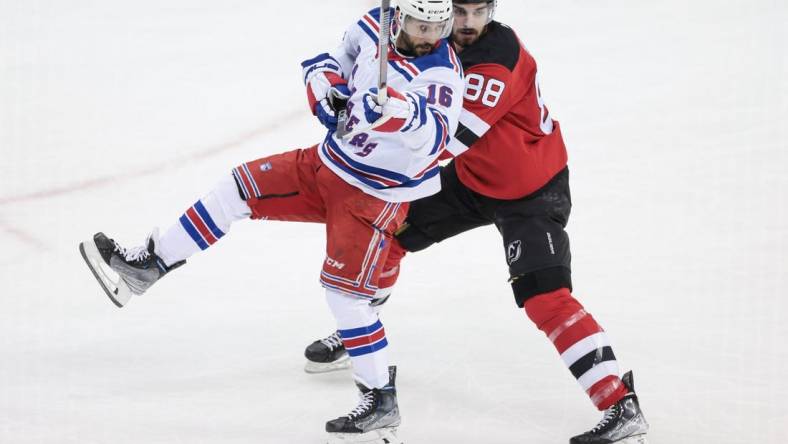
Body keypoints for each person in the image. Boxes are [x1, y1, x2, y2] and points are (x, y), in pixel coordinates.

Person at [78, 1, 464, 442]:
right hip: (326, 166)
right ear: (398, 17)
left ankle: (380, 399)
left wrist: (402, 113)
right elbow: (331, 62)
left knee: (345, 296)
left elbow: (434, 138)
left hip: (374, 197)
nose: (428, 35)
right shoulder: (374, 24)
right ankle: (151, 265)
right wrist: (329, 90)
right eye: (419, 24)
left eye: (438, 26)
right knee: (237, 189)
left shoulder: (442, 73)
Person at [302, 1, 650, 443]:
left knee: (546, 299)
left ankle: (621, 403)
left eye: (478, 12)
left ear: (493, 11)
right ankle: (358, 328)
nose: (467, 24)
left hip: (531, 191)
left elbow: (442, 141)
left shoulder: (497, 59)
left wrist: (364, 155)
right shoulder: (432, 36)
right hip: (472, 180)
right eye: (459, 12)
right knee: (386, 236)